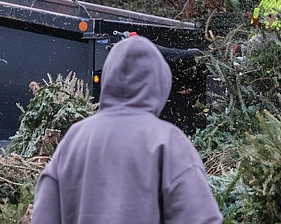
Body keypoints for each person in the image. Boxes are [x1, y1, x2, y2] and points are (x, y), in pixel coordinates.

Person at [32, 35, 223, 224]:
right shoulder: (167, 141)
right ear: (160, 81)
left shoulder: (75, 138)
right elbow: (202, 218)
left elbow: (44, 215)